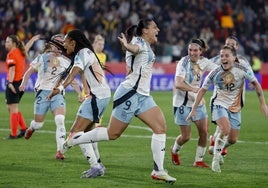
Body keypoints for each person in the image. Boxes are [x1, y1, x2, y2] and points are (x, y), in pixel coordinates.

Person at [59, 19, 176, 184]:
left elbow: (133, 61)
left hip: (143, 95)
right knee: (112, 134)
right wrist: (128, 47)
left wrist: (129, 53)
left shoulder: (145, 45)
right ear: (144, 31)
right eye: (154, 27)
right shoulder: (138, 42)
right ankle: (73, 140)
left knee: (160, 127)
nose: (158, 29)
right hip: (130, 94)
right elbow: (134, 49)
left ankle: (158, 170)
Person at [187, 45, 268, 172]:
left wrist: (263, 104)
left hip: (235, 106)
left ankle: (215, 148)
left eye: (226, 55)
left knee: (233, 139)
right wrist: (193, 109)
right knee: (225, 129)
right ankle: (216, 160)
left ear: (234, 58)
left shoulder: (242, 69)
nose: (223, 58)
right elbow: (202, 90)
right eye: (221, 56)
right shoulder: (215, 72)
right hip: (219, 103)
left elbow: (256, 84)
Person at [47, 29, 111, 178]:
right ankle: (98, 163)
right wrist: (86, 91)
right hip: (99, 96)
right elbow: (83, 74)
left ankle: (95, 166)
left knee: (76, 135)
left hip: (97, 98)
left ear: (73, 42)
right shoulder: (85, 53)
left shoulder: (83, 53)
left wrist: (61, 88)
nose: (64, 46)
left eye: (65, 43)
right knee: (88, 133)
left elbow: (73, 73)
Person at [19, 34, 76, 160]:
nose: (61, 46)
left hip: (57, 93)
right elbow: (29, 72)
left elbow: (70, 78)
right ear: (52, 45)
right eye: (59, 43)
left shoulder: (67, 61)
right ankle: (32, 128)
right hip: (43, 93)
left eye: (63, 43)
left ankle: (60, 151)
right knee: (38, 124)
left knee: (60, 120)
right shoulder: (41, 58)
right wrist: (23, 84)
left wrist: (79, 92)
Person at [170, 38, 217, 168]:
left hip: (197, 102)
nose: (192, 53)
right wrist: (195, 90)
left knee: (204, 132)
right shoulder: (183, 63)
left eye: (195, 50)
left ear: (200, 51)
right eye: (190, 50)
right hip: (182, 103)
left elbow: (218, 71)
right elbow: (178, 83)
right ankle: (174, 150)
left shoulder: (204, 62)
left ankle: (198, 160)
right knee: (186, 137)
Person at [208, 35, 252, 157]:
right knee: (224, 125)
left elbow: (250, 75)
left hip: (236, 100)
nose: (230, 46)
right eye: (228, 43)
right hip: (221, 98)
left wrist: (252, 83)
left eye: (232, 44)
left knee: (232, 139)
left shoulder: (243, 61)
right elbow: (205, 64)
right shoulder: (219, 59)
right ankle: (217, 147)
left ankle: (218, 143)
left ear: (237, 47)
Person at [4, 34, 39, 139]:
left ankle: (13, 134)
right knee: (11, 108)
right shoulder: (21, 52)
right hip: (20, 82)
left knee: (13, 109)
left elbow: (12, 70)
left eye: (8, 42)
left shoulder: (11, 55)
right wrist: (32, 39)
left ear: (13, 43)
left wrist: (10, 84)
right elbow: (27, 46)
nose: (6, 44)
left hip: (14, 83)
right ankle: (23, 128)